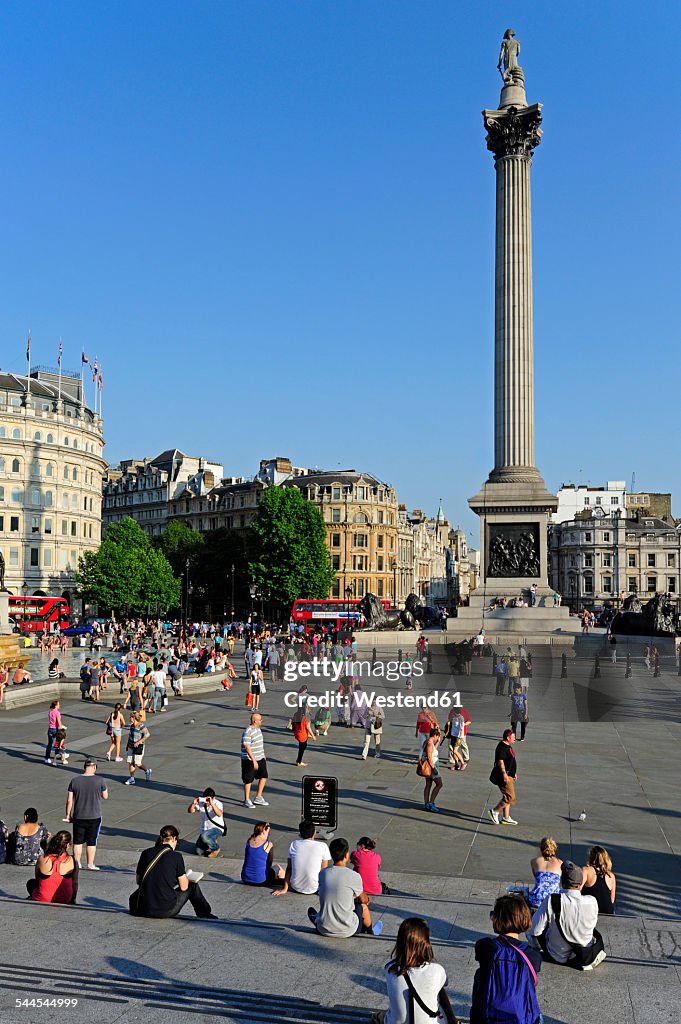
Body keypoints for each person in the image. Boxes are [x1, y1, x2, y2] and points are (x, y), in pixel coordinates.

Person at [470, 894, 541, 1024]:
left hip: (486, 1019)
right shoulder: (533, 955)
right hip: (522, 1019)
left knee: (480, 974)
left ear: (496, 919)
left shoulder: (485, 946)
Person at [373, 916, 457, 1024]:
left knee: (384, 1015)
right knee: (438, 989)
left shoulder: (390, 969)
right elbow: (445, 983)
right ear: (426, 944)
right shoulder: (437, 970)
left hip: (396, 1021)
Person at [530, 861, 606, 969]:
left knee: (536, 926)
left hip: (557, 956)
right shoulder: (592, 901)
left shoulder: (553, 900)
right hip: (585, 955)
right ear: (580, 884)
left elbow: (535, 930)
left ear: (562, 882)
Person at [130, 824, 216, 920]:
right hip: (164, 910)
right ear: (174, 838)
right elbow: (184, 887)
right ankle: (205, 913)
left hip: (142, 909)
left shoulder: (146, 853)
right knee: (192, 886)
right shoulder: (176, 856)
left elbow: (139, 881)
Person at [308, 837, 383, 938]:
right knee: (363, 907)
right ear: (346, 855)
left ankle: (319, 919)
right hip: (348, 930)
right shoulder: (353, 876)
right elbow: (364, 900)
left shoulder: (322, 873)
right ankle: (371, 932)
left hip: (323, 929)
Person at [65, 759, 109, 869]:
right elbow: (105, 796)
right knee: (92, 841)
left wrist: (68, 815)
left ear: (84, 767)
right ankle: (90, 864)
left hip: (79, 815)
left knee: (78, 841)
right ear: (94, 767)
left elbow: (70, 800)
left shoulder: (74, 781)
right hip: (95, 815)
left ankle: (77, 863)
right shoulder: (100, 780)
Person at [272, 819, 331, 897]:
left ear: (301, 834)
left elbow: (289, 868)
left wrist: (285, 888)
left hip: (296, 887)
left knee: (278, 869)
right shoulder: (323, 846)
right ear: (314, 833)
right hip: (315, 888)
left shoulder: (294, 844)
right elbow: (324, 870)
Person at [28, 831, 79, 905]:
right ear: (67, 845)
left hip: (43, 898)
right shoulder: (73, 860)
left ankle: (35, 897)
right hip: (65, 899)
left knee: (31, 883)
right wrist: (73, 899)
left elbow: (38, 879)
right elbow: (75, 883)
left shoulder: (42, 858)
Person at [487, 729, 518, 825]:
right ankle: (495, 811)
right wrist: (504, 774)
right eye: (513, 737)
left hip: (510, 775)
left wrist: (514, 773)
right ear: (508, 737)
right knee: (510, 797)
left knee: (507, 796)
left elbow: (511, 760)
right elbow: (501, 761)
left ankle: (506, 817)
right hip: (504, 776)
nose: (515, 739)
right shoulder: (502, 748)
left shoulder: (507, 746)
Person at [241, 822, 285, 887]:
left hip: (245, 878)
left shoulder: (250, 840)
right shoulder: (268, 844)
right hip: (260, 881)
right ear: (264, 831)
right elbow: (269, 862)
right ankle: (284, 883)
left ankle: (276, 881)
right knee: (278, 868)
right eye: (268, 831)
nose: (268, 834)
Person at [241, 712, 269, 809]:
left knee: (264, 776)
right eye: (260, 719)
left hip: (260, 757)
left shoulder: (258, 729)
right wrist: (254, 761)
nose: (262, 721)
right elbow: (247, 746)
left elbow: (259, 743)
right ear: (254, 721)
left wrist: (263, 754)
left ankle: (258, 797)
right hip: (249, 759)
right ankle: (247, 800)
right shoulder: (248, 731)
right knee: (248, 779)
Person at [188, 788, 225, 858]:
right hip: (204, 830)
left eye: (208, 800)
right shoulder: (201, 803)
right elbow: (190, 811)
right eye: (206, 799)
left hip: (217, 829)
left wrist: (212, 804)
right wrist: (193, 804)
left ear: (213, 798)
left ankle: (216, 848)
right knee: (198, 851)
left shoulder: (218, 803)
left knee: (205, 836)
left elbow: (219, 814)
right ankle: (210, 842)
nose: (207, 802)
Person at [582, 846, 616, 915]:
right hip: (608, 912)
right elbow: (612, 900)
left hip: (591, 911)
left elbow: (577, 889)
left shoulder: (586, 870)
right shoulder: (611, 875)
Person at [125, 712, 152, 785]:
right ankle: (132, 778)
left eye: (131, 717)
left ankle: (147, 770)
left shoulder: (141, 726)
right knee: (131, 762)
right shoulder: (132, 726)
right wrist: (127, 745)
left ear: (134, 718)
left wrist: (139, 742)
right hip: (131, 746)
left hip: (138, 747)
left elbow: (147, 735)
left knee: (138, 763)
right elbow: (130, 735)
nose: (130, 718)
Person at [422, 726, 443, 813]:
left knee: (428, 784)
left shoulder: (428, 742)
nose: (438, 738)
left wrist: (438, 742)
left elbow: (433, 750)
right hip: (432, 766)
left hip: (430, 766)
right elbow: (430, 757)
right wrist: (434, 769)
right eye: (438, 736)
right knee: (439, 784)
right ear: (435, 735)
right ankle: (431, 803)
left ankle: (427, 804)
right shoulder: (430, 743)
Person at [45, 699, 64, 764]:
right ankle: (58, 756)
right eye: (58, 704)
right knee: (58, 743)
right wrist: (61, 728)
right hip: (55, 729)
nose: (59, 705)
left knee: (49, 744)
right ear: (56, 705)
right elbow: (58, 721)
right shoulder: (57, 712)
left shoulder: (50, 711)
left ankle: (47, 758)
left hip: (50, 728)